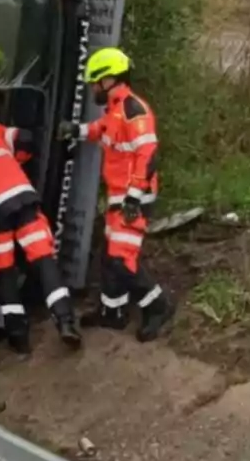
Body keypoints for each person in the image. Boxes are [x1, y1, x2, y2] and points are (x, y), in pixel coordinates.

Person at [57, 47, 175, 343]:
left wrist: (134, 197)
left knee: (121, 260)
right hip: (118, 197)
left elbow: (148, 156)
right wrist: (77, 130)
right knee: (110, 257)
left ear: (109, 79)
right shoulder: (115, 110)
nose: (93, 88)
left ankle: (158, 306)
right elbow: (102, 130)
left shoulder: (134, 111)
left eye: (95, 82)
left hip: (133, 199)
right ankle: (113, 313)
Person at [0, 122, 81, 353]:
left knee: (4, 270)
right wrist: (18, 160)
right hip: (22, 197)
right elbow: (26, 136)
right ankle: (65, 321)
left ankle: (18, 336)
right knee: (43, 259)